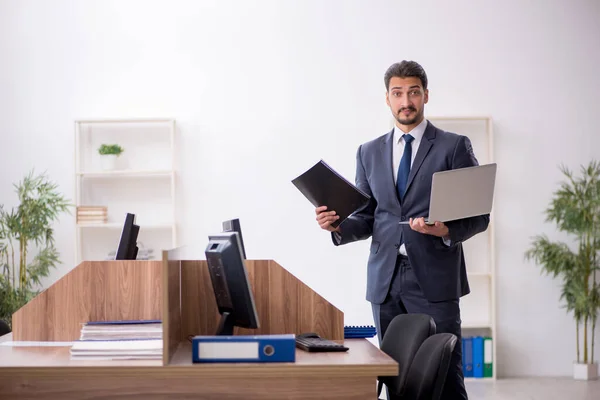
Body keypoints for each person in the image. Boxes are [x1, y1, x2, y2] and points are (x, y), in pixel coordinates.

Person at [315, 60, 489, 399]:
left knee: (446, 377)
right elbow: (367, 218)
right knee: (397, 378)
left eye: (413, 93)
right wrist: (337, 225)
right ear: (387, 99)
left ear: (425, 96)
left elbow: (479, 216)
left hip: (435, 278)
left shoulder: (453, 146)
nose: (405, 101)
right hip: (385, 280)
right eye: (398, 93)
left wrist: (444, 230)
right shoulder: (368, 151)